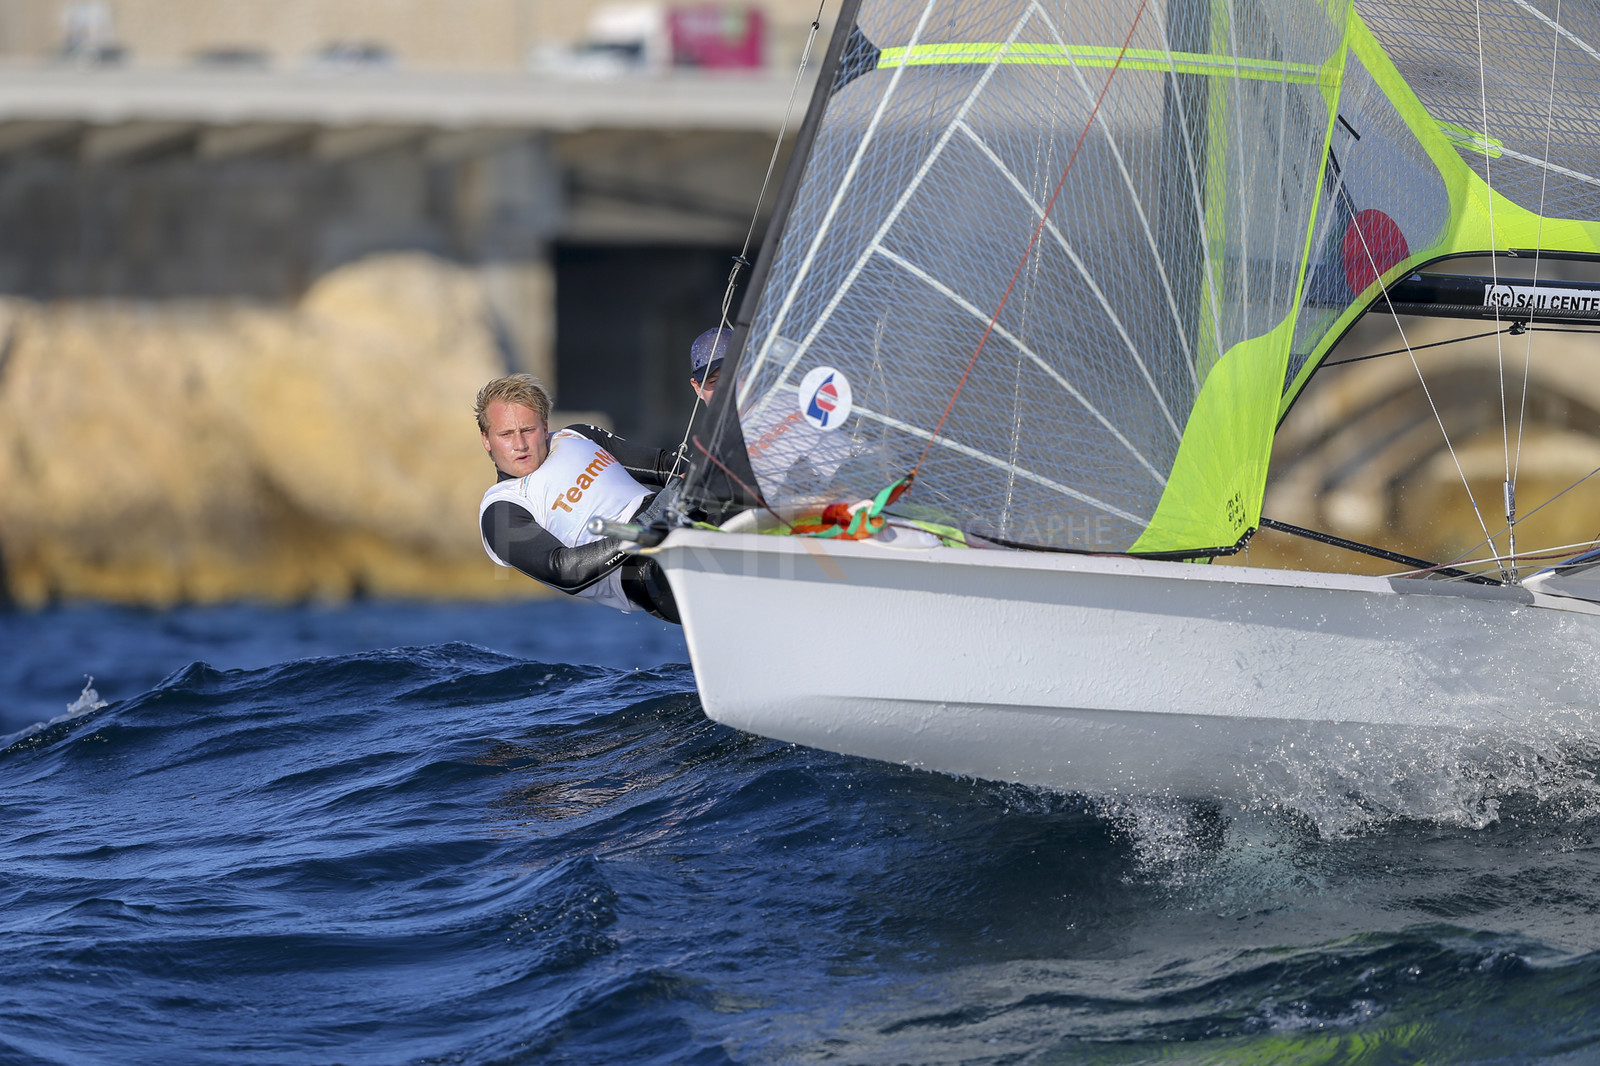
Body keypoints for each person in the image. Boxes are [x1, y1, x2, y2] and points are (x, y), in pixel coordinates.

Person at [476, 373, 681, 623]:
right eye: (506, 434)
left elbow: (664, 465)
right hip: (639, 570)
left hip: (677, 516)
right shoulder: (502, 509)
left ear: (545, 427)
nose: (520, 444)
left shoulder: (577, 436)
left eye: (528, 430)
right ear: (486, 439)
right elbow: (563, 570)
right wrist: (643, 529)